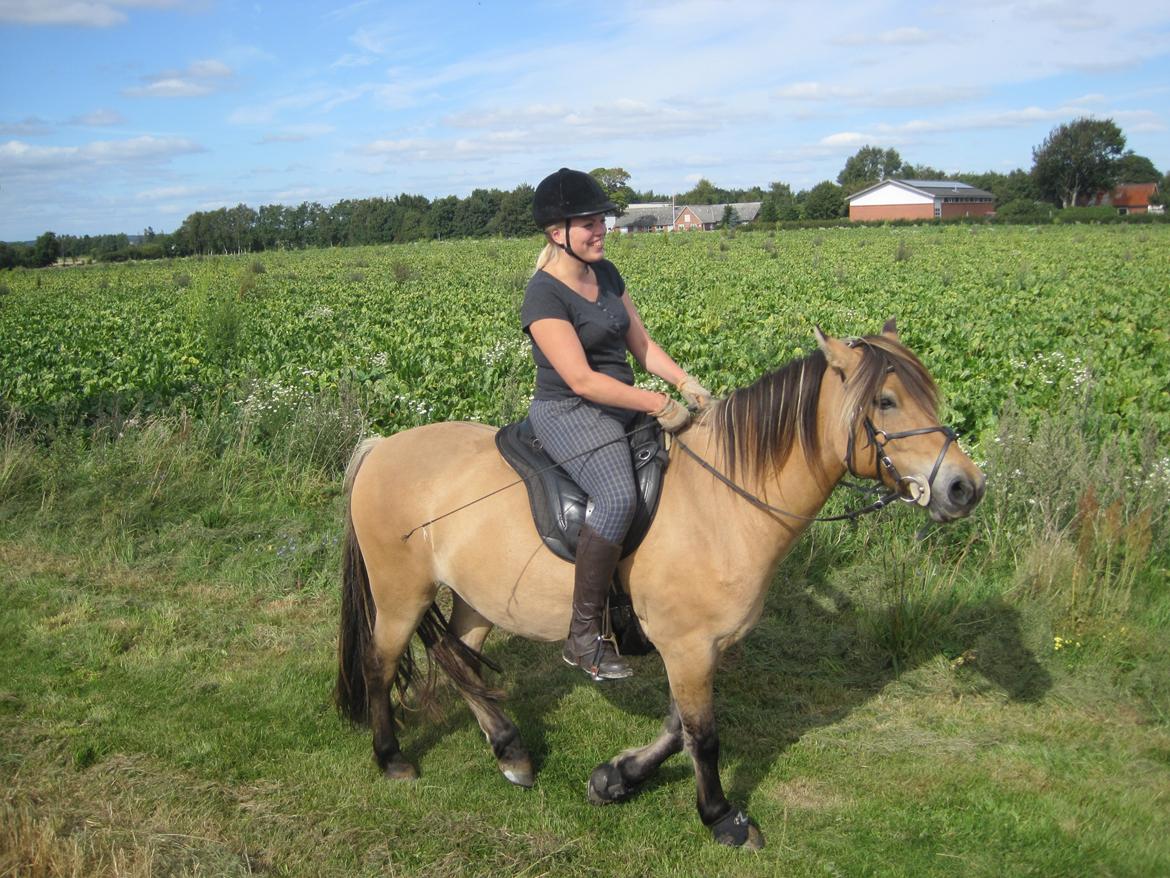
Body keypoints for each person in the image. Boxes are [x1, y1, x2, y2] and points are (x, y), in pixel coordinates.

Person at [520, 167, 712, 681]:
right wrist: (653, 403)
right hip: (570, 411)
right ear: (556, 232)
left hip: (622, 400)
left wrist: (686, 383)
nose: (601, 229)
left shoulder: (605, 275)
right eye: (589, 223)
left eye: (602, 220)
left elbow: (643, 347)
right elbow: (581, 381)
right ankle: (583, 637)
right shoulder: (543, 296)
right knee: (617, 496)